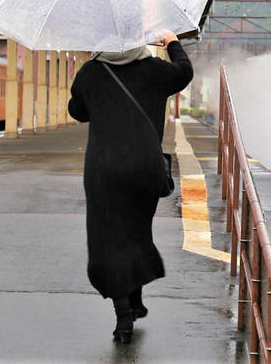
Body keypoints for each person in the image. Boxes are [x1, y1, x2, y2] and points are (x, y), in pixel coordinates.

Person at [67, 29, 193, 344]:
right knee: (136, 232)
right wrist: (172, 43)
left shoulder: (91, 72)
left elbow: (77, 112)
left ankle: (124, 314)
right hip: (144, 167)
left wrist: (89, 76)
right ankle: (135, 301)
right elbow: (184, 72)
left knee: (108, 238)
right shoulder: (154, 69)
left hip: (104, 170)